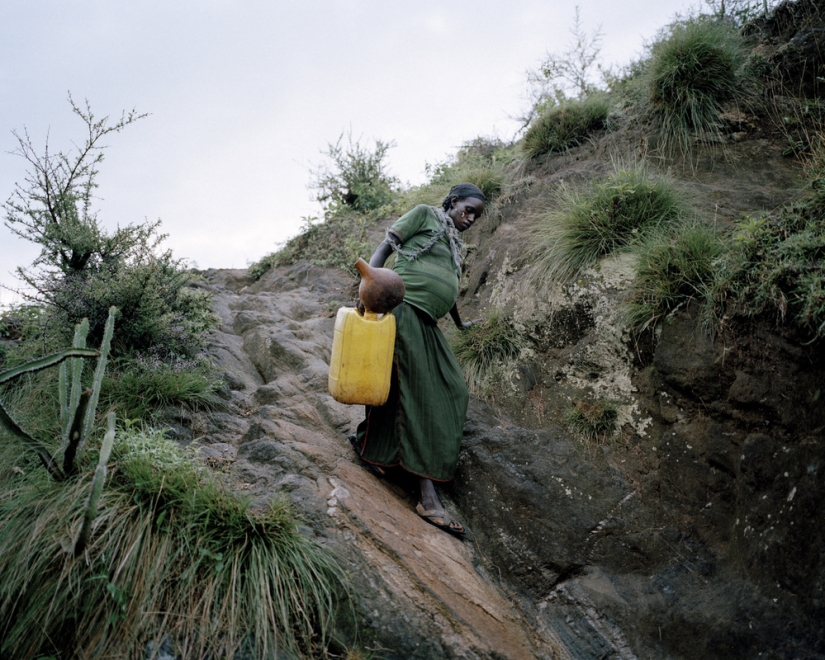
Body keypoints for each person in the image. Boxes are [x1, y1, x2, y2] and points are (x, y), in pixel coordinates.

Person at [351, 182, 486, 535]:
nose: (471, 219)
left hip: (427, 321)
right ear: (453, 201)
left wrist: (459, 322)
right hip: (402, 309)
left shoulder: (455, 244)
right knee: (417, 388)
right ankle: (427, 497)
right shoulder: (425, 215)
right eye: (468, 209)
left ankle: (376, 450)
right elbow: (383, 250)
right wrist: (368, 292)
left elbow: (448, 286)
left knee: (454, 390)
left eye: (477, 215)